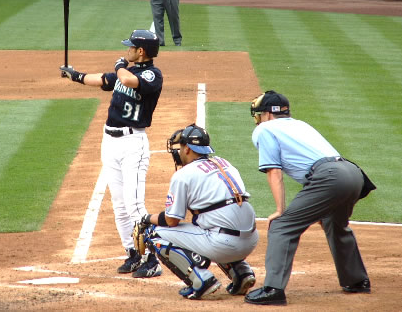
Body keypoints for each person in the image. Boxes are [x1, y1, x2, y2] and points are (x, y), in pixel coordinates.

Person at [244, 91, 375, 306]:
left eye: (259, 114)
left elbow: (274, 171)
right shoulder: (300, 125)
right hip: (353, 174)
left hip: (330, 177)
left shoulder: (265, 129)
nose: (258, 119)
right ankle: (357, 280)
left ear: (268, 114)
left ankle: (273, 289)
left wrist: (280, 210)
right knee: (335, 224)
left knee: (282, 225)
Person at [59, 30, 164, 279]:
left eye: (131, 47)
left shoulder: (151, 74)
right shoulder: (126, 72)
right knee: (119, 205)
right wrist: (75, 75)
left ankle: (152, 258)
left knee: (134, 204)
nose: (127, 50)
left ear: (141, 51)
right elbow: (101, 79)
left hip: (132, 144)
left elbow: (126, 80)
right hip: (110, 142)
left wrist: (119, 66)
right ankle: (133, 252)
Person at [137, 124, 259, 300]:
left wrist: (147, 218)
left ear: (187, 149)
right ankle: (241, 273)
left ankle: (201, 280)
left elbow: (171, 221)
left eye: (180, 147)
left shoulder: (183, 175)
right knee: (212, 222)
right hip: (251, 239)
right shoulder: (225, 163)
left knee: (152, 233)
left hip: (223, 244)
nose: (178, 152)